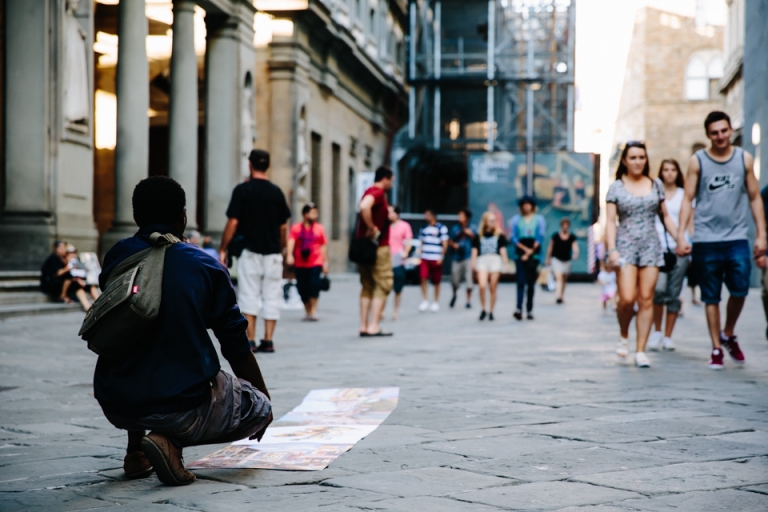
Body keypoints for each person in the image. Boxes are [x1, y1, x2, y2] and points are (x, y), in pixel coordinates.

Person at [97, 176, 272, 486]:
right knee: (256, 408)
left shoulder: (115, 257)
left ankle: (135, 451)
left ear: (136, 216)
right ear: (183, 216)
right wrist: (264, 401)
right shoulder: (206, 266)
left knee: (138, 343)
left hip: (116, 400)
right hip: (180, 403)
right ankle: (168, 442)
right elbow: (235, 345)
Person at [676, 111, 767, 369]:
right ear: (708, 135)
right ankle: (716, 347)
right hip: (705, 239)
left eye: (724, 131)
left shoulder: (744, 159)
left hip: (737, 237)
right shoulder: (698, 161)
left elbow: (754, 197)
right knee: (711, 296)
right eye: (715, 132)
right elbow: (687, 199)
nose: (720, 136)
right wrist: (682, 235)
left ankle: (728, 332)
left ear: (730, 130)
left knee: (739, 290)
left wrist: (761, 234)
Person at [606, 141, 679, 368]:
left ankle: (640, 350)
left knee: (646, 298)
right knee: (627, 298)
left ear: (646, 160)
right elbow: (609, 221)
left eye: (641, 157)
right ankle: (624, 334)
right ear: (625, 161)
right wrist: (612, 250)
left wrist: (680, 238)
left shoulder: (655, 185)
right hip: (625, 245)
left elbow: (665, 216)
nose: (638, 162)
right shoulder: (616, 187)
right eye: (633, 157)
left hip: (651, 245)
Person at [219, 149, 291, 353]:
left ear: (250, 165)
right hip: (273, 253)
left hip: (250, 252)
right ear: (268, 166)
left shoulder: (242, 190)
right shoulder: (277, 193)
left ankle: (250, 341)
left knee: (248, 294)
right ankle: (268, 340)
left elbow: (233, 222)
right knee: (272, 295)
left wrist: (223, 248)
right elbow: (283, 228)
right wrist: (283, 249)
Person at [648, 159, 691, 352]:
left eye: (673, 169)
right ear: (661, 172)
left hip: (680, 248)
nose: (669, 173)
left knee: (674, 293)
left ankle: (668, 336)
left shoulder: (685, 195)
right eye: (665, 169)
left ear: (677, 172)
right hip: (658, 249)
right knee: (658, 290)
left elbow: (691, 219)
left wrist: (689, 243)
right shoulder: (655, 193)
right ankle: (657, 331)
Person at [357, 165, 395, 336]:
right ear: (385, 179)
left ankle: (364, 325)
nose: (392, 185)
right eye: (391, 181)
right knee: (383, 283)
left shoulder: (368, 190)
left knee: (367, 285)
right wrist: (372, 227)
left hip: (363, 246)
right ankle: (374, 325)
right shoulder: (378, 193)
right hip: (378, 247)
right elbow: (364, 206)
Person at [286, 203, 329, 321]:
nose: (316, 215)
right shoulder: (296, 228)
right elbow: (291, 242)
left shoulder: (319, 228)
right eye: (313, 213)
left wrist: (325, 262)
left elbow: (323, 246)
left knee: (314, 285)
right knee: (302, 288)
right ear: (305, 214)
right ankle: (308, 310)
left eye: (316, 213)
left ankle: (313, 310)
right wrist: (289, 255)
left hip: (315, 262)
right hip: (300, 263)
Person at [509, 196, 546, 320]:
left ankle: (529, 309)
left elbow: (540, 237)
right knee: (520, 282)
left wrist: (529, 252)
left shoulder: (539, 219)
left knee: (530, 283)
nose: (526, 206)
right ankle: (519, 308)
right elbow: (513, 238)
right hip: (520, 254)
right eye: (524, 204)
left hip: (534, 255)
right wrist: (524, 251)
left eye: (528, 204)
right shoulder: (516, 220)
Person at [471, 211, 510, 320]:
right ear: (485, 222)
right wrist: (473, 263)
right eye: (491, 220)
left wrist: (506, 263)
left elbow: (502, 249)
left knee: (493, 287)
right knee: (482, 286)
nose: (493, 222)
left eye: (495, 220)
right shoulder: (479, 235)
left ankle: (491, 310)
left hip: (495, 259)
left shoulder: (499, 235)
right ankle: (483, 308)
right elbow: (474, 250)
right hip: (482, 259)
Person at [40, 240, 91, 311]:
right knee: (69, 277)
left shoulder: (61, 259)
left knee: (78, 285)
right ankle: (63, 296)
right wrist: (69, 268)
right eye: (62, 248)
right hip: (49, 284)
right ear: (56, 248)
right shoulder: (53, 258)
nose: (64, 250)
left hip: (59, 282)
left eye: (64, 248)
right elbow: (57, 273)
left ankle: (87, 306)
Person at [417, 209, 449, 312]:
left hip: (436, 257)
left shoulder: (441, 228)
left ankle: (435, 301)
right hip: (425, 257)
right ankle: (425, 300)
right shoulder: (424, 228)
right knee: (423, 277)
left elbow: (445, 243)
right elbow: (421, 242)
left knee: (436, 280)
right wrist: (419, 255)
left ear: (433, 215)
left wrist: (442, 256)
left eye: (427, 215)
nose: (425, 216)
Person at [387, 205, 413, 321]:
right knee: (384, 287)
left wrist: (406, 252)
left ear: (397, 213)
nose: (389, 214)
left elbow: (408, 242)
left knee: (398, 288)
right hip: (385, 259)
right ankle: (381, 311)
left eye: (391, 212)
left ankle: (395, 311)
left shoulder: (404, 226)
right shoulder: (385, 226)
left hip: (398, 259)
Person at [545, 218, 579, 304]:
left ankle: (561, 295)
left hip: (566, 260)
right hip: (556, 259)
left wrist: (575, 254)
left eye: (566, 225)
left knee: (564, 279)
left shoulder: (571, 237)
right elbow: (550, 247)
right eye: (564, 225)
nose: (565, 227)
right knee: (558, 277)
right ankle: (558, 296)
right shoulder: (555, 236)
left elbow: (575, 247)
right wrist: (548, 259)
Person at [449, 208, 476, 309]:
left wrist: (471, 234)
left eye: (462, 215)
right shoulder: (455, 228)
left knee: (469, 279)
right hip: (457, 257)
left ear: (467, 217)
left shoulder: (472, 228)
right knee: (454, 279)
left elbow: (477, 241)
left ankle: (468, 301)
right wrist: (454, 245)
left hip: (467, 256)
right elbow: (449, 240)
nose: (459, 218)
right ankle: (454, 294)